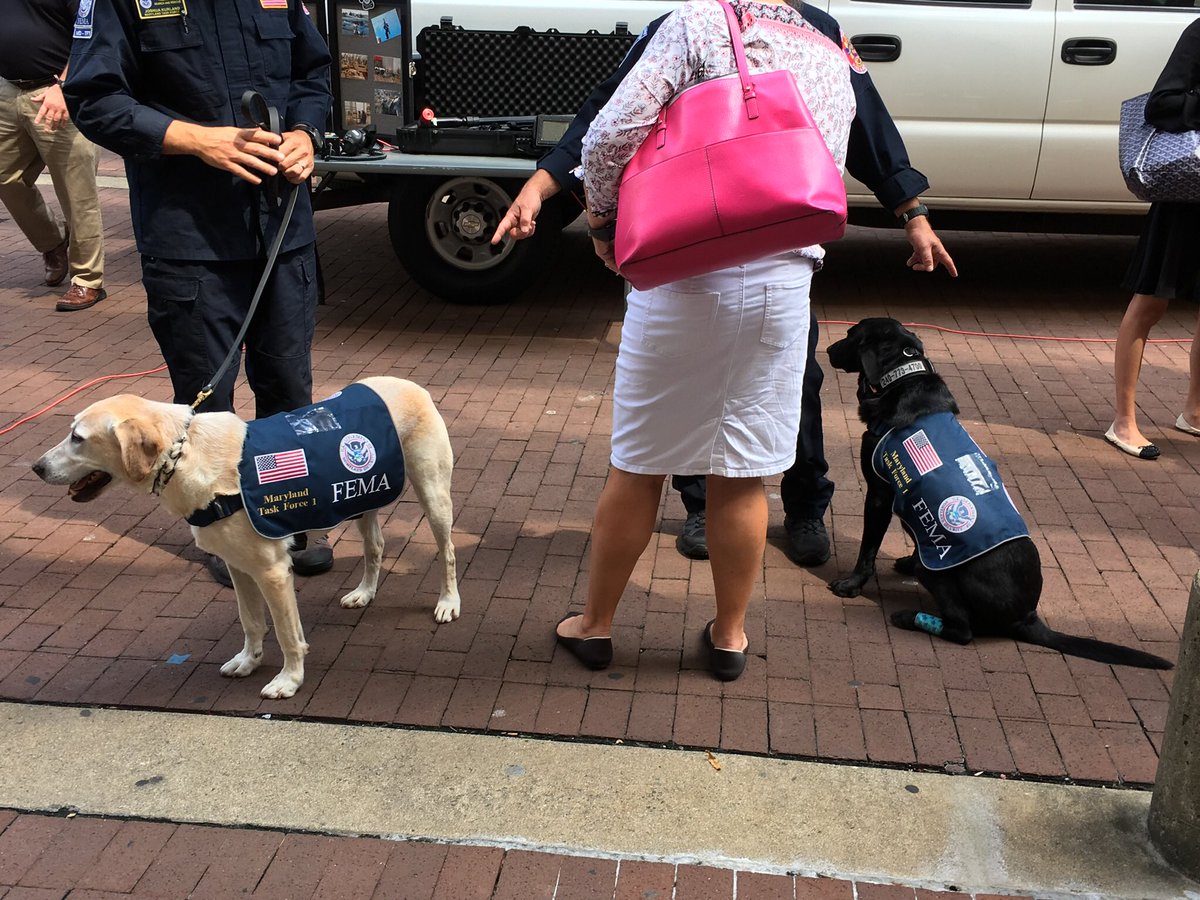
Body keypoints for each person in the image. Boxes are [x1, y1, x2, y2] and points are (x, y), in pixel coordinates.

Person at [492, 0, 956, 567]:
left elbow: (869, 126)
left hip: (761, 247)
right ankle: (698, 506)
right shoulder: (686, 23)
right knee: (704, 385)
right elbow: (607, 111)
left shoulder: (822, 30)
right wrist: (540, 186)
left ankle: (806, 504)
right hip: (709, 242)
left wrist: (913, 212)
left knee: (794, 385)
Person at [547, 0, 858, 682]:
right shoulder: (826, 39)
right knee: (743, 472)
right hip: (784, 278)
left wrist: (603, 220)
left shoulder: (698, 21)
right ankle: (729, 636)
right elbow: (829, 156)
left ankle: (595, 627)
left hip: (683, 262)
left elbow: (608, 136)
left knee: (640, 463)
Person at [64, 0, 335, 585]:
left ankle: (288, 516)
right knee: (206, 403)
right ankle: (222, 532)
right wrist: (196, 140)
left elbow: (313, 74)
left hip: (281, 231)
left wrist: (306, 134)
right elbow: (94, 99)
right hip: (190, 241)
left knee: (289, 392)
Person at [1106, 19, 1200, 462]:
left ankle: (1195, 412)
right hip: (1188, 197)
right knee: (1151, 303)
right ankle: (1123, 422)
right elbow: (1161, 105)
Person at [0, 0, 105, 312]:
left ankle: (87, 279)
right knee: (5, 177)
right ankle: (53, 243)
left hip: (59, 92)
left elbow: (93, 34)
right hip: (8, 90)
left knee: (76, 192)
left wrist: (65, 85)